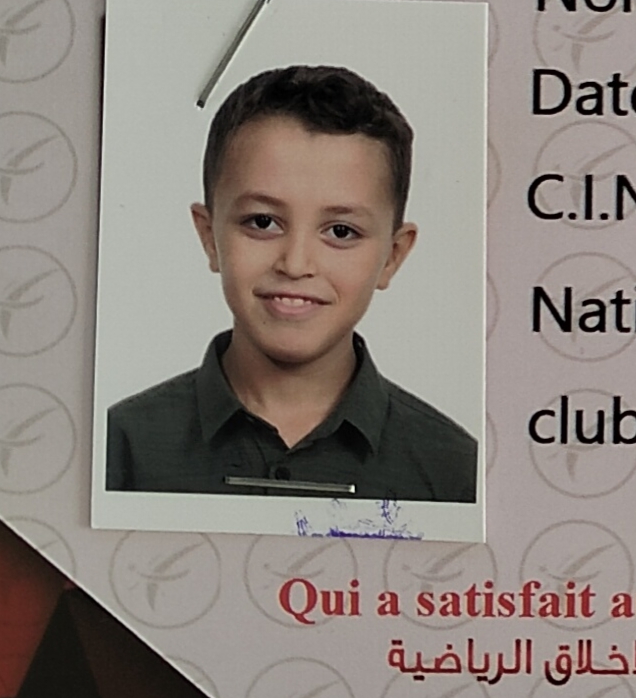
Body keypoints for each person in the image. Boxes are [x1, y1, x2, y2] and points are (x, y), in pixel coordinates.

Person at [106, 62, 478, 502]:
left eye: (341, 231)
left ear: (392, 257)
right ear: (209, 237)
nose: (296, 264)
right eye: (263, 222)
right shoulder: (118, 448)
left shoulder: (456, 472)